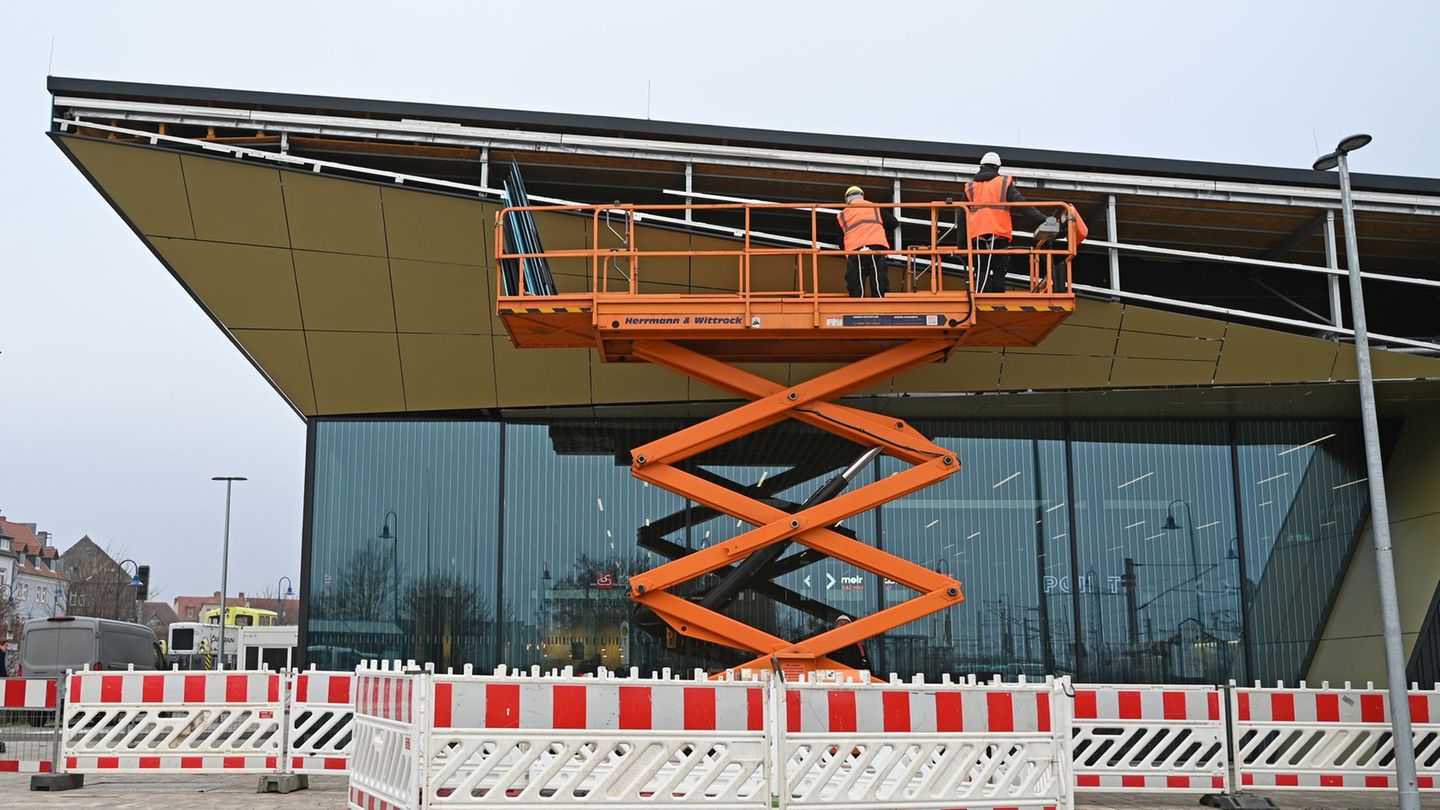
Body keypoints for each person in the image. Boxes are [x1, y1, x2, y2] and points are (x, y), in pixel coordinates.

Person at [959, 152, 1051, 293]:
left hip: (978, 233)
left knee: (981, 266)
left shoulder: (970, 187)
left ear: (981, 166)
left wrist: (962, 244)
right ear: (997, 168)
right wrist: (1044, 219)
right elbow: (1024, 206)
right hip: (998, 232)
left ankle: (980, 295)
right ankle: (997, 296)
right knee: (998, 267)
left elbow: (961, 214)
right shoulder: (1003, 183)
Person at [835, 186, 896, 298]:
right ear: (862, 196)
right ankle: (880, 308)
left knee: (856, 289)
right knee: (879, 285)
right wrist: (879, 232)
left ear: (847, 199)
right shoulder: (874, 207)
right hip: (876, 249)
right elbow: (893, 222)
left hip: (855, 251)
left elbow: (840, 242)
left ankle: (858, 310)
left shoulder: (842, 215)